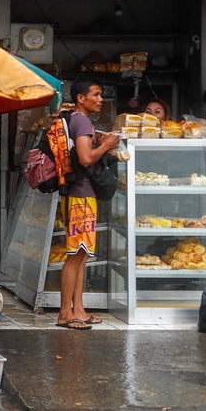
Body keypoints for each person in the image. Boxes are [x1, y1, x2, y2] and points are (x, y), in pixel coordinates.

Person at [58, 77, 120, 330]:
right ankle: (65, 313)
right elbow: (85, 159)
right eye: (95, 94)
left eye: (101, 94)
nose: (100, 98)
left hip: (82, 195)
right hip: (80, 196)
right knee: (75, 256)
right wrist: (106, 144)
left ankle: (79, 309)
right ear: (80, 98)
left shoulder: (77, 120)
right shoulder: (81, 120)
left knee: (82, 255)